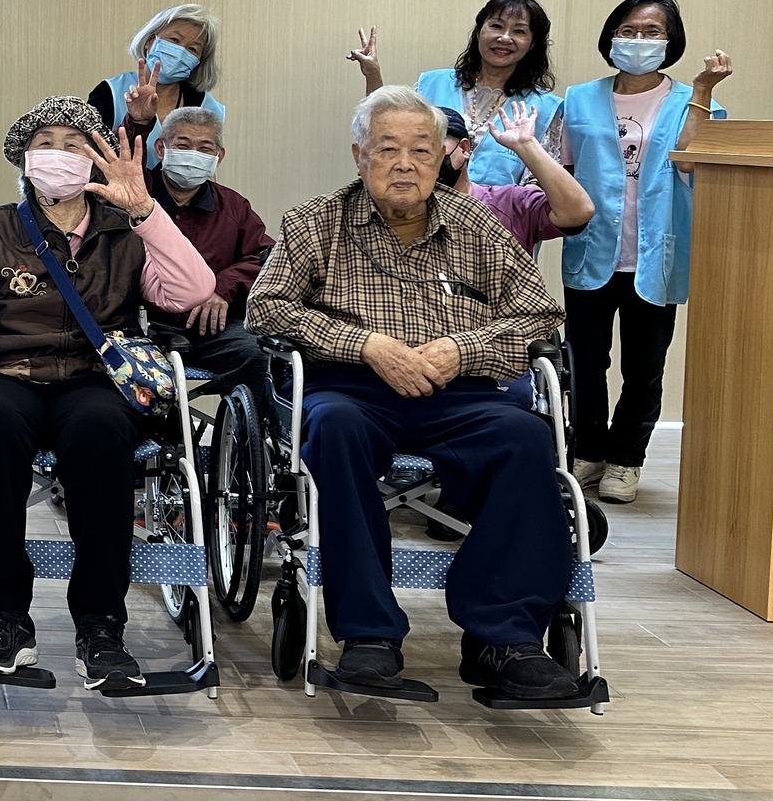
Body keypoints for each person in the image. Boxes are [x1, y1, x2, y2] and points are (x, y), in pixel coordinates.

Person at [247, 85, 577, 701]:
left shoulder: (478, 226)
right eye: (387, 149)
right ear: (359, 155)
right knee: (334, 431)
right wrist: (366, 345)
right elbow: (266, 309)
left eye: (422, 150)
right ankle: (369, 634)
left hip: (462, 392)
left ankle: (504, 637)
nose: (405, 164)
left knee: (526, 438)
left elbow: (540, 316)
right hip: (352, 390)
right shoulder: (313, 223)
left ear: (442, 155)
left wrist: (463, 350)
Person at [0, 96, 214, 689]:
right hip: (4, 373)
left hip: (93, 380)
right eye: (44, 144)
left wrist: (145, 209)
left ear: (96, 161)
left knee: (100, 430)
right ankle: (4, 619)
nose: (58, 154)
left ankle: (101, 626)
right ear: (24, 159)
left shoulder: (127, 231)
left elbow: (193, 290)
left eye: (74, 145)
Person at [560, 0, 732, 504]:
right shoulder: (578, 99)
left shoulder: (693, 102)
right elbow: (560, 169)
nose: (639, 41)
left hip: (656, 255)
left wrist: (703, 90)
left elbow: (692, 162)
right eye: (629, 30)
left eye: (652, 32)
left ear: (670, 41)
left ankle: (625, 460)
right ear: (611, 36)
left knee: (644, 368)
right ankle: (587, 451)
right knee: (584, 363)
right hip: (592, 250)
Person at [140, 107, 278, 421]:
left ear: (219, 156)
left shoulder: (233, 206)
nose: (193, 155)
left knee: (259, 354)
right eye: (183, 145)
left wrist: (223, 289)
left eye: (205, 148)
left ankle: (244, 439)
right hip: (143, 325)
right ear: (161, 148)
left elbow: (265, 257)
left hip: (212, 327)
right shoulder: (138, 196)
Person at [348, 0, 567, 185]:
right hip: (423, 209)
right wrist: (372, 74)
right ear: (479, 31)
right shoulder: (432, 83)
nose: (504, 37)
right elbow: (387, 130)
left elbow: (537, 186)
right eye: (496, 26)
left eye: (519, 31)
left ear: (532, 44)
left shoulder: (545, 107)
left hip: (500, 216)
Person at [437, 102, 594, 252]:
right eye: (422, 150)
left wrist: (526, 144)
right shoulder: (421, 208)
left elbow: (578, 212)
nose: (428, 157)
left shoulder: (509, 203)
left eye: (435, 145)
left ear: (464, 148)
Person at [88, 4, 228, 168]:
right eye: (174, 40)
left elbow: (207, 169)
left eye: (192, 49)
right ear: (149, 41)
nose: (180, 52)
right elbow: (88, 155)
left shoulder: (206, 105)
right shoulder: (110, 92)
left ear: (199, 61)